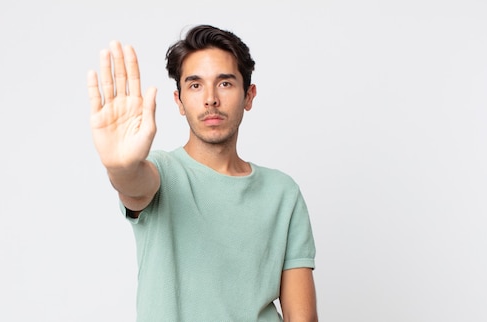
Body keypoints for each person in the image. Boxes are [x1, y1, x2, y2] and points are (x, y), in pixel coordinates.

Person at [87, 25, 318, 322]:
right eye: (195, 85)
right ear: (179, 101)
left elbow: (302, 318)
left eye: (225, 84)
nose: (210, 99)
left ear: (249, 96)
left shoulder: (282, 193)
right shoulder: (162, 173)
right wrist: (121, 166)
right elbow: (134, 185)